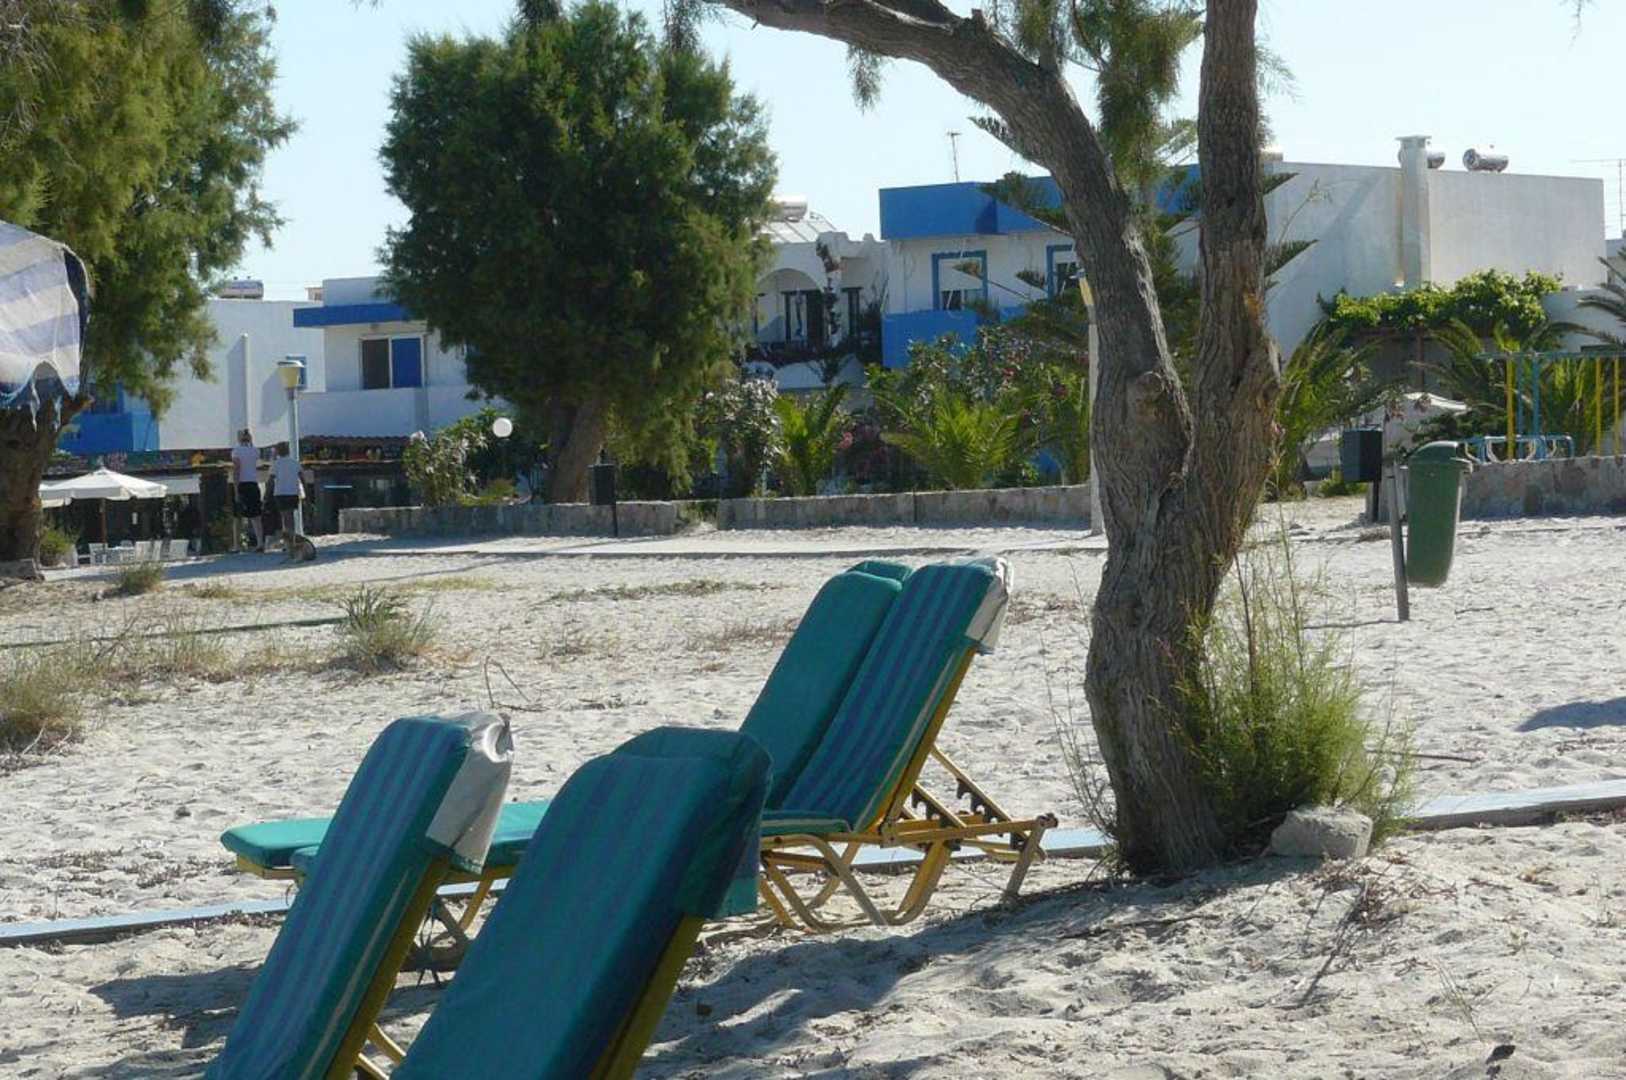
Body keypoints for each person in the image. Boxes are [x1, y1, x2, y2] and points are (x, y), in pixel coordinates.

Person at [229, 429, 264, 551]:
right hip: (253, 483)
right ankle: (260, 543)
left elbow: (237, 469)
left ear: (239, 438)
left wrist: (236, 489)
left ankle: (236, 545)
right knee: (256, 515)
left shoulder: (236, 451)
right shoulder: (255, 451)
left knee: (237, 517)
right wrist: (251, 440)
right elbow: (254, 453)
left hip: (242, 484)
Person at [271, 442, 304, 554]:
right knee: (290, 517)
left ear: (278, 452)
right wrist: (305, 493)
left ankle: (288, 543)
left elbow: (271, 479)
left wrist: (267, 494)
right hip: (292, 492)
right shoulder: (295, 463)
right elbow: (302, 478)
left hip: (280, 493)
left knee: (285, 518)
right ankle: (291, 540)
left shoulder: (276, 463)